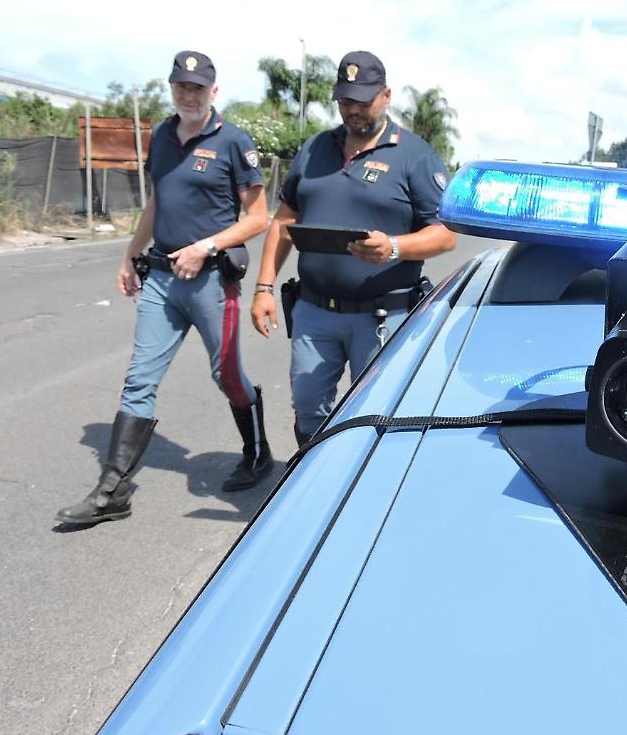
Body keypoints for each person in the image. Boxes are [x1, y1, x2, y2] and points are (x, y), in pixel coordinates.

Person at [57, 51, 274, 526]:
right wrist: (130, 254)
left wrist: (205, 246)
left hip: (213, 280)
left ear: (214, 92)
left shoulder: (235, 142)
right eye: (181, 87)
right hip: (161, 278)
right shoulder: (160, 134)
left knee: (228, 377)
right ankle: (112, 490)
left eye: (198, 88)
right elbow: (157, 200)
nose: (189, 95)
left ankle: (257, 454)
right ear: (172, 88)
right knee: (140, 378)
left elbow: (259, 218)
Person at [250, 50, 457, 445]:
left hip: (381, 316)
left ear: (387, 95)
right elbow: (284, 221)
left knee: (375, 415)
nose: (354, 110)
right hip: (314, 311)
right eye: (346, 101)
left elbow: (445, 235)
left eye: (363, 100)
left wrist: (394, 247)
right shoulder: (314, 149)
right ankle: (311, 488)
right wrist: (263, 288)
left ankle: (363, 496)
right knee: (308, 408)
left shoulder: (414, 156)